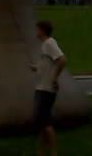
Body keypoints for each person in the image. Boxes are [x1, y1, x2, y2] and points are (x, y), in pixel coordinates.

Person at [31, 20, 66, 156]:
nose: (36, 32)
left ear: (42, 30)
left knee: (45, 122)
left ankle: (53, 152)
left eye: (37, 29)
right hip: (42, 87)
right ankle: (41, 152)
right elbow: (47, 64)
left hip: (46, 88)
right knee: (42, 123)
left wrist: (55, 78)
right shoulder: (45, 45)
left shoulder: (50, 43)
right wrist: (36, 68)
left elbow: (62, 60)